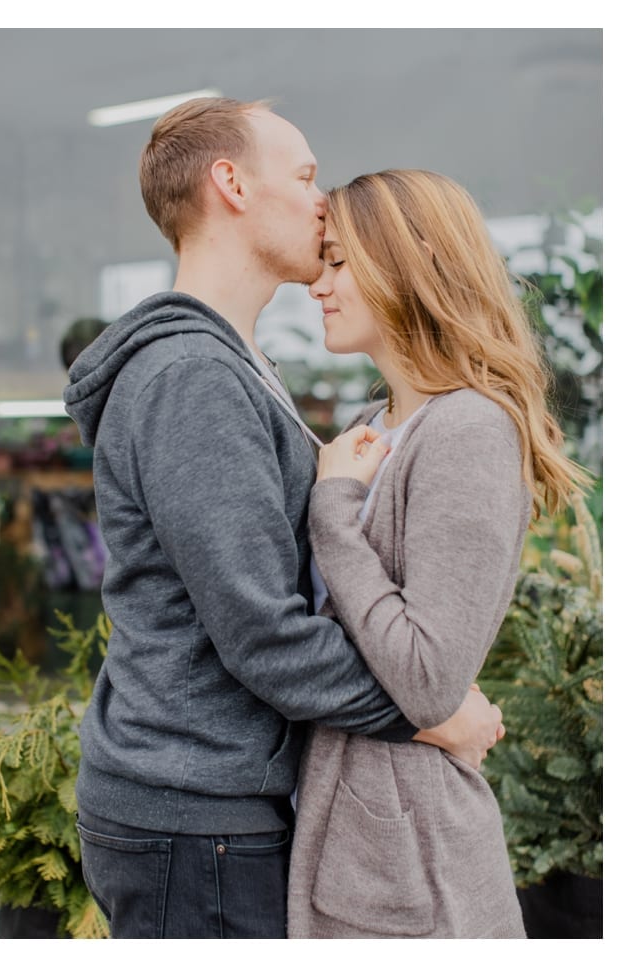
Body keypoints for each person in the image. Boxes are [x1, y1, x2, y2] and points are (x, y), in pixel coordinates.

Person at [61, 97, 505, 938]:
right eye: (303, 176)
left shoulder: (232, 364)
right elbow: (264, 631)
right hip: (196, 815)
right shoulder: (193, 377)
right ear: (230, 182)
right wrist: (426, 712)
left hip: (207, 800)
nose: (323, 199)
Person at [288, 169, 586, 937]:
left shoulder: (467, 431)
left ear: (408, 261)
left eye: (339, 261)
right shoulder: (371, 425)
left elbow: (427, 677)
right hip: (358, 841)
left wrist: (333, 511)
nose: (317, 283)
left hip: (415, 865)